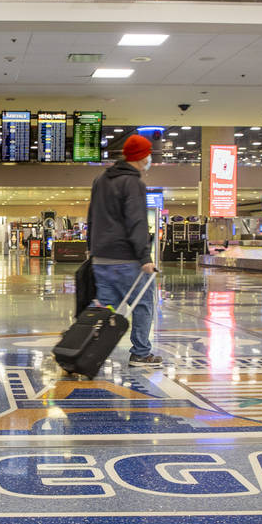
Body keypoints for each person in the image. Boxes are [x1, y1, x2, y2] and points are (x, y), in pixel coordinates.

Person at [86, 134, 160, 366]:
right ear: (141, 157)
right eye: (149, 154)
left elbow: (92, 217)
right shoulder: (134, 183)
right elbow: (136, 221)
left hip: (101, 259)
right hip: (126, 259)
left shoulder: (100, 180)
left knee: (104, 308)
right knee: (144, 303)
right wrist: (144, 257)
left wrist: (92, 249)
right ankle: (140, 352)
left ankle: (86, 348)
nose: (150, 159)